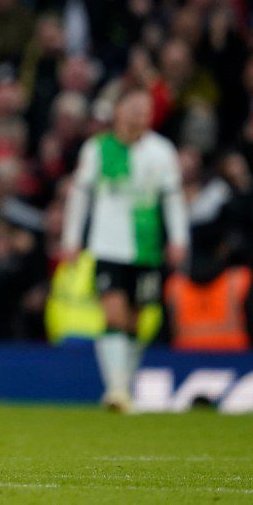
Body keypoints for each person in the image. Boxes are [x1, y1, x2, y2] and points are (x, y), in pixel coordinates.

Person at [62, 88, 189, 412]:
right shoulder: (98, 148)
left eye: (145, 110)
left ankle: (123, 389)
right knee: (114, 313)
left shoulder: (161, 151)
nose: (140, 115)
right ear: (118, 110)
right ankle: (116, 390)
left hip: (147, 248)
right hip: (107, 246)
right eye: (133, 107)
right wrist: (71, 240)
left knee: (135, 321)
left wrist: (178, 238)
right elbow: (80, 196)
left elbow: (172, 199)